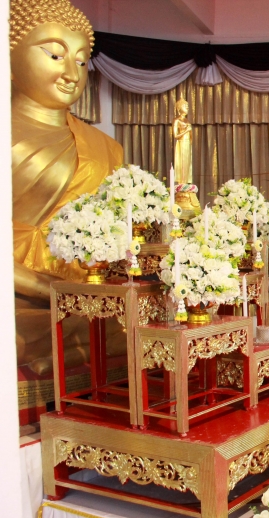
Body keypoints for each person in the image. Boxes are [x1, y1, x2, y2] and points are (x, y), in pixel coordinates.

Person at [11, 0, 124, 375]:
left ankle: (70, 351)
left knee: (139, 321)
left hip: (84, 289)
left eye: (80, 61)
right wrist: (50, 291)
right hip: (19, 292)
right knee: (16, 335)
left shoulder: (105, 147)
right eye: (55, 55)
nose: (71, 73)